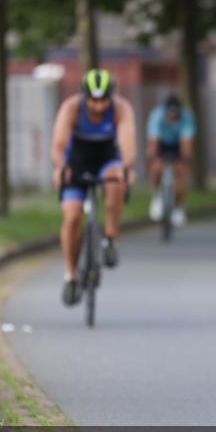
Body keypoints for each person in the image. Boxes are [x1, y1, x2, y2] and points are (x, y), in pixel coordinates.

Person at [51, 69, 136, 306]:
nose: (98, 106)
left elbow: (127, 143)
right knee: (72, 217)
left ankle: (110, 238)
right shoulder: (71, 108)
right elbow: (58, 144)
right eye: (93, 100)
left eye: (103, 100)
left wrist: (127, 168)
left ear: (111, 97)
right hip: (77, 162)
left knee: (116, 179)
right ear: (84, 97)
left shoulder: (120, 109)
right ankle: (71, 275)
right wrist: (60, 167)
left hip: (107, 158)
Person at [147, 94, 195, 227]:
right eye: (170, 114)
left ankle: (178, 207)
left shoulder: (187, 117)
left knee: (180, 173)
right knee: (157, 168)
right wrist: (152, 158)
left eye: (175, 114)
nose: (173, 117)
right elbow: (153, 142)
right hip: (161, 143)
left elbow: (187, 143)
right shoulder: (156, 116)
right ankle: (157, 197)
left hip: (178, 144)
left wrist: (185, 161)